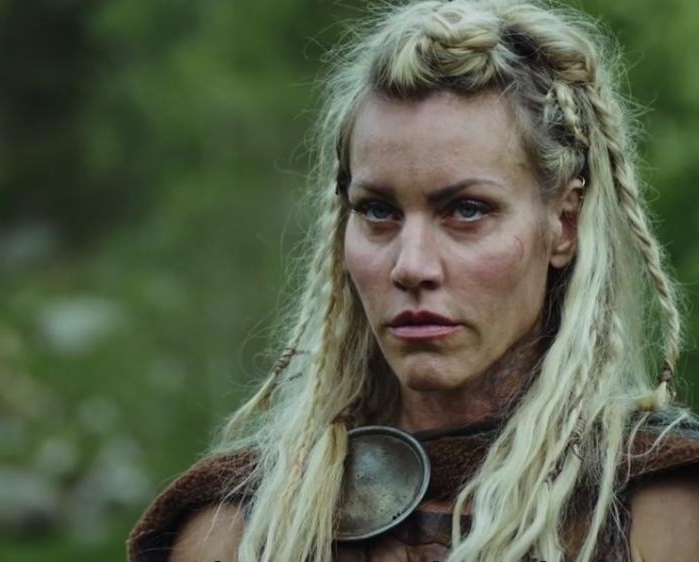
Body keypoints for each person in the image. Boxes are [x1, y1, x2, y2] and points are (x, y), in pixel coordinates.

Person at [128, 1, 699, 561]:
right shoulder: (238, 532)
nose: (411, 266)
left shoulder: (663, 512)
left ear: (564, 225)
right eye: (377, 211)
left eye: (467, 210)